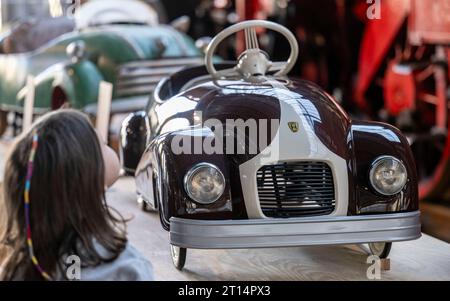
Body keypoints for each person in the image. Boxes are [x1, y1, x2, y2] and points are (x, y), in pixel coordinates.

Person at [0, 109, 153, 281]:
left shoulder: (16, 268)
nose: (108, 148)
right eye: (102, 143)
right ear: (89, 181)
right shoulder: (127, 268)